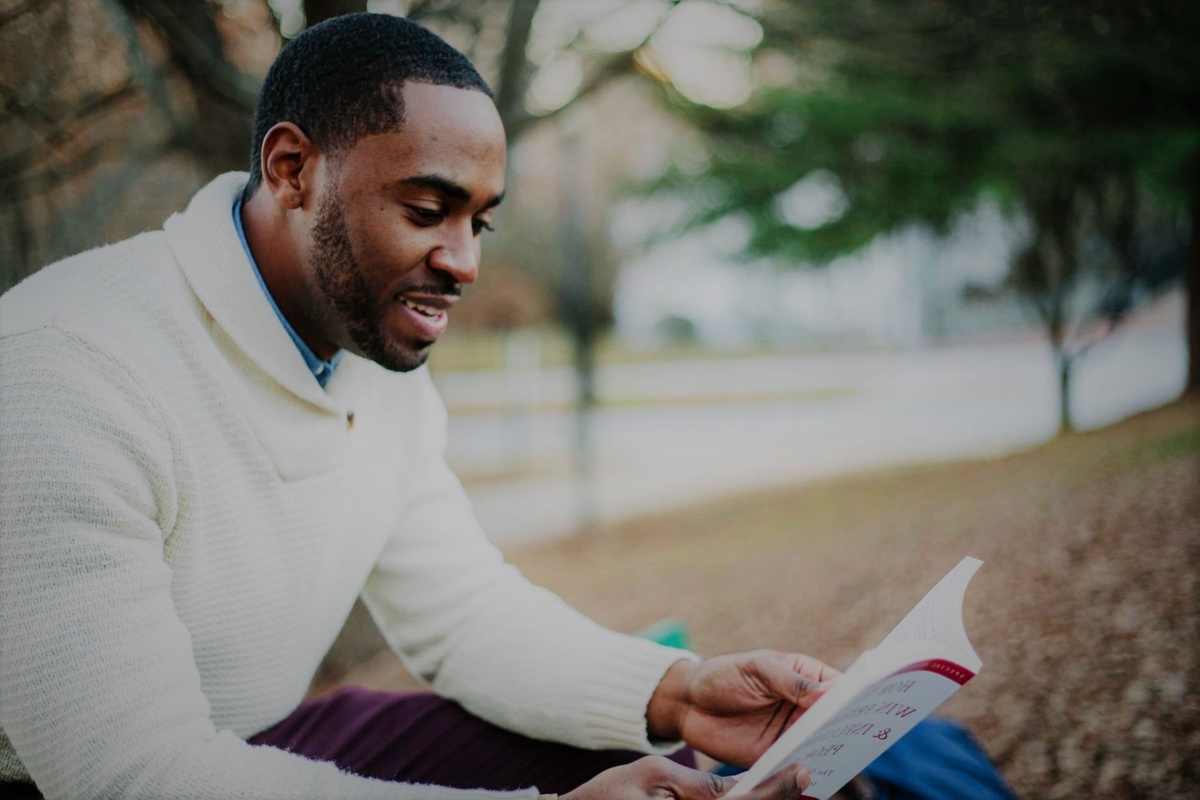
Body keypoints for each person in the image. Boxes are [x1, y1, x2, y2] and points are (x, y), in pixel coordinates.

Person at [0, 13, 837, 800]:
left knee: (635, 759)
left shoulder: (368, 352)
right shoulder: (67, 372)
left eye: (480, 223)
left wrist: (680, 692)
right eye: (429, 211)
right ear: (291, 170)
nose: (464, 262)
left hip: (255, 738)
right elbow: (134, 778)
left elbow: (464, 615)